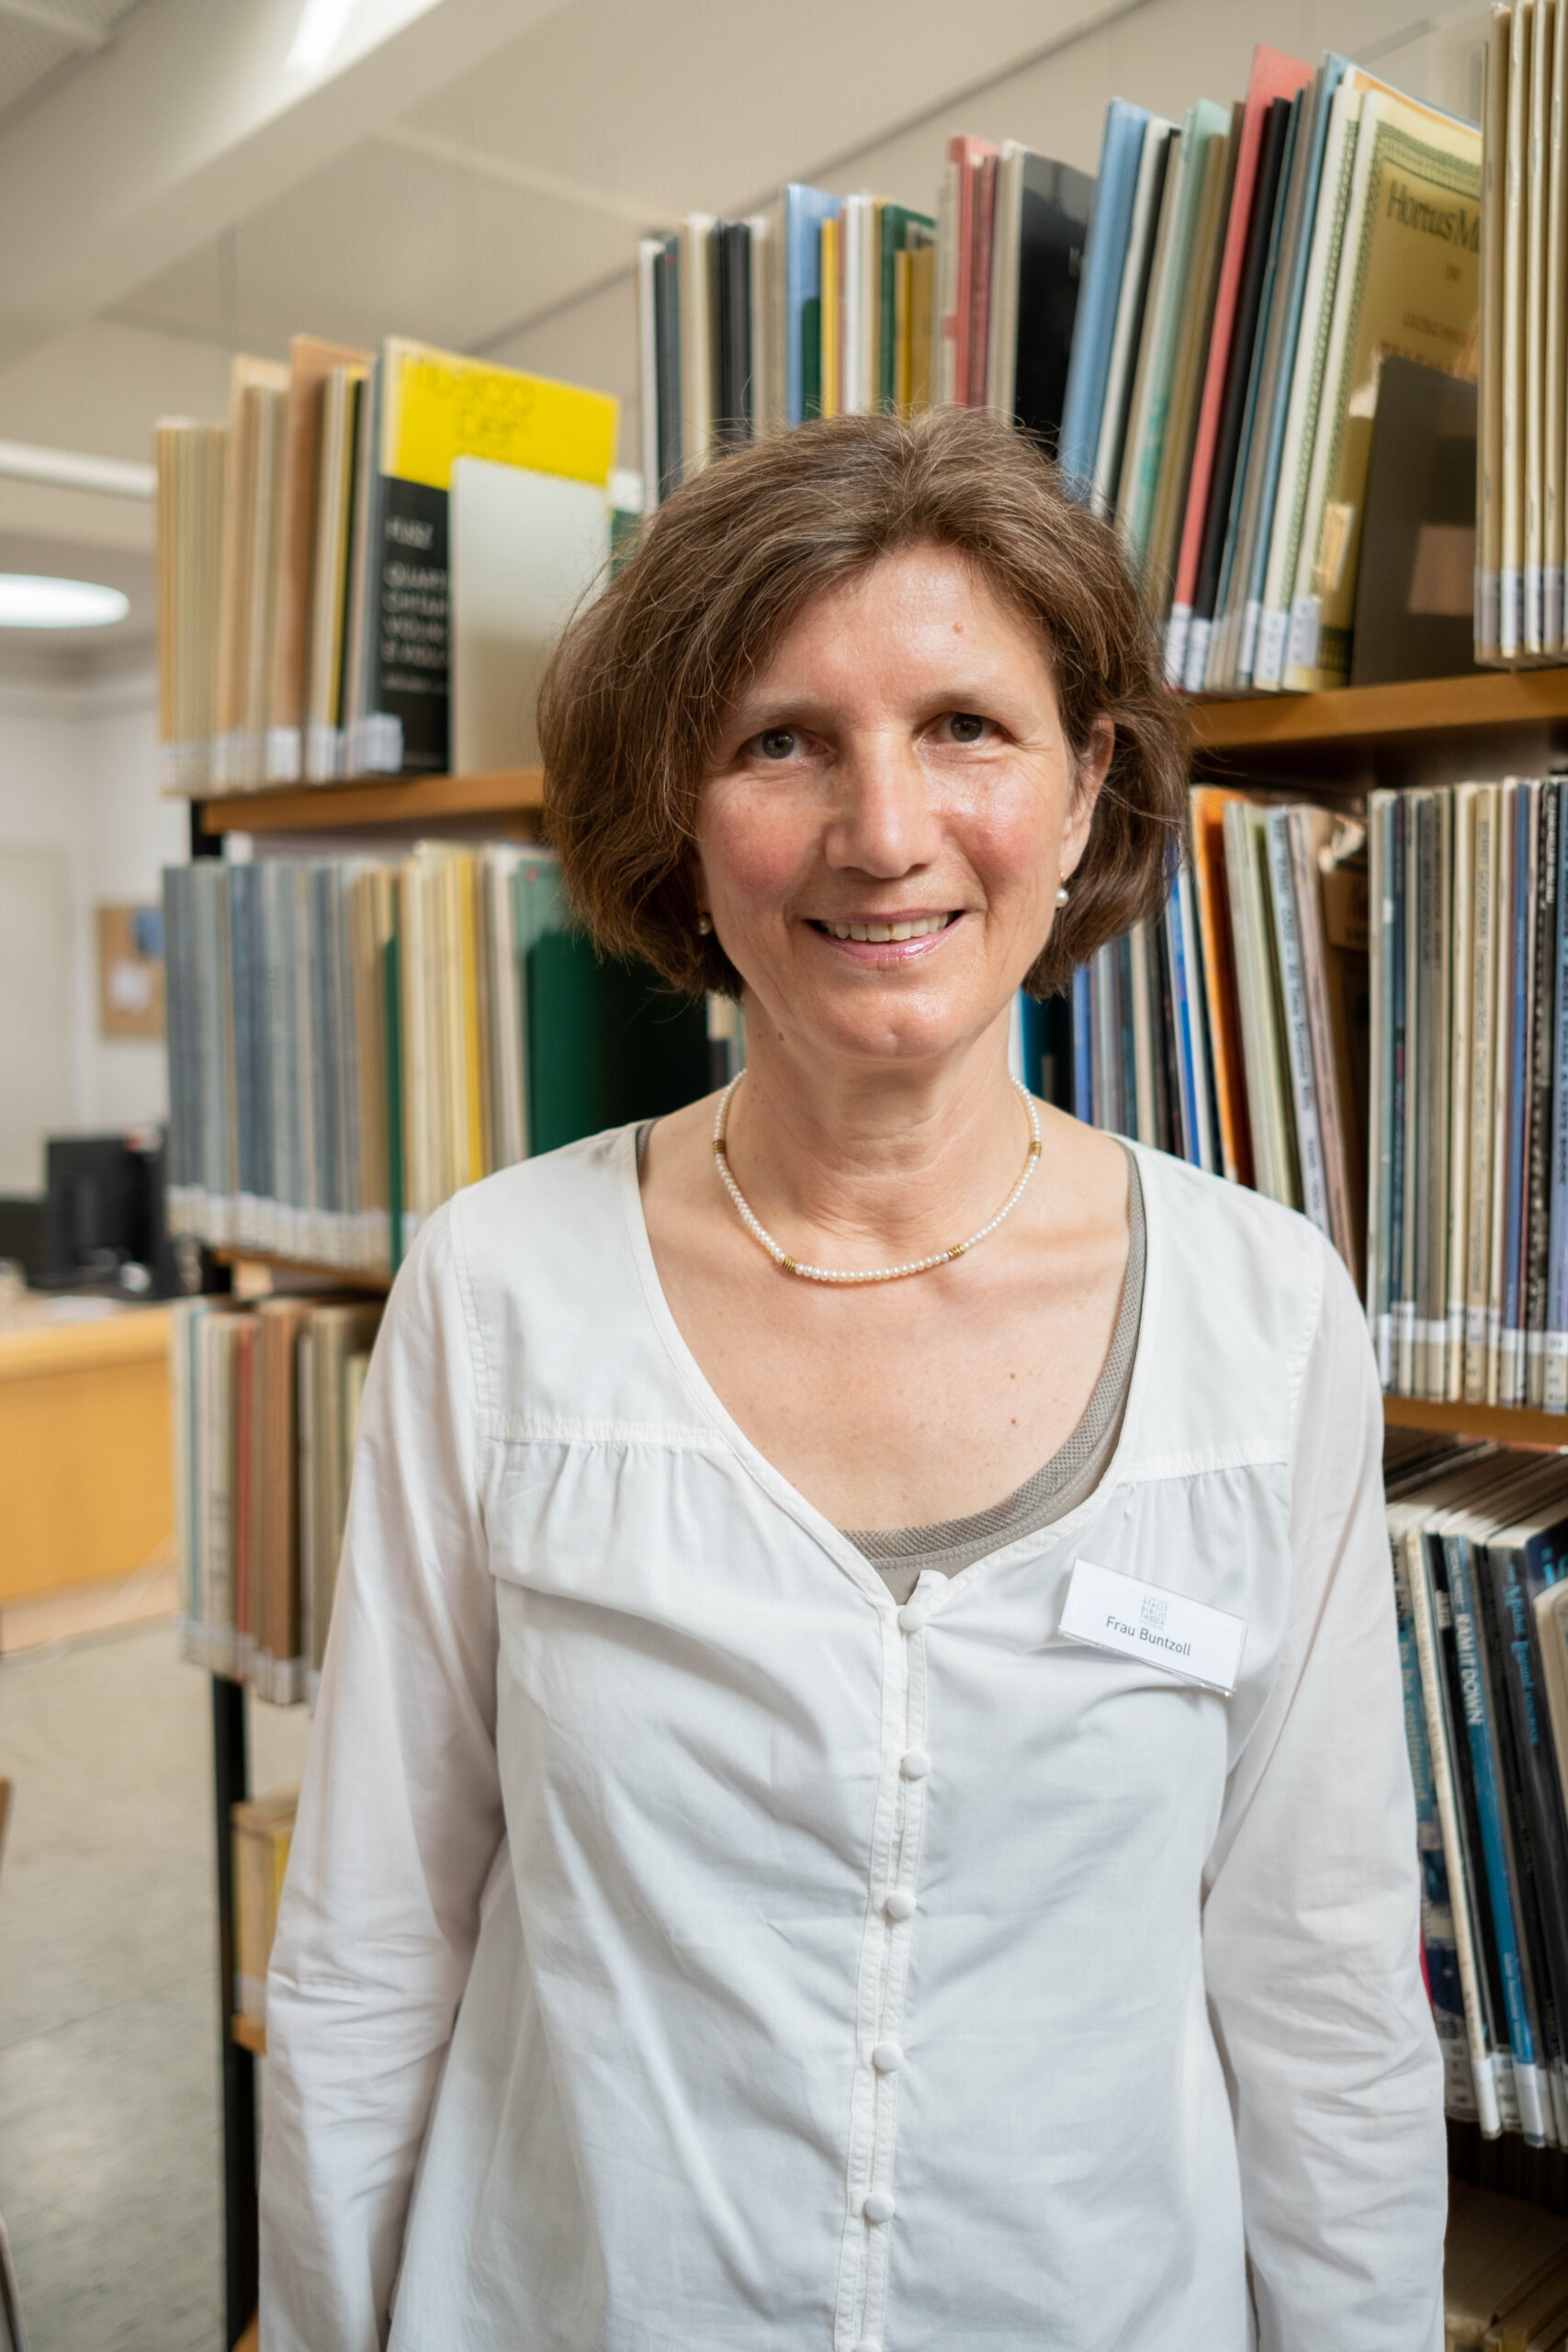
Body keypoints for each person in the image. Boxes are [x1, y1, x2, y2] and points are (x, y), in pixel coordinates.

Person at [260, 407, 1444, 2352]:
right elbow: (374, 1950)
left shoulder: (1265, 1314)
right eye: (781, 740)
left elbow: (1318, 1993)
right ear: (679, 810)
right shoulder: (495, 1293)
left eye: (965, 726)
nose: (883, 833)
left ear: (1085, 788)